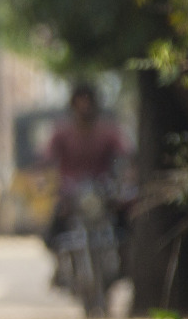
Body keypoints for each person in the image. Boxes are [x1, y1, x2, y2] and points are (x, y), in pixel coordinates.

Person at [41, 83, 131, 247]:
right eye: (80, 102)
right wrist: (46, 181)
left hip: (101, 191)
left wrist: (126, 177)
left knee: (125, 222)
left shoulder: (107, 131)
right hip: (71, 194)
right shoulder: (62, 132)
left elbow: (125, 154)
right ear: (73, 105)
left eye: (88, 102)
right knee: (54, 230)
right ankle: (61, 261)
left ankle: (124, 256)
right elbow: (48, 159)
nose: (84, 107)